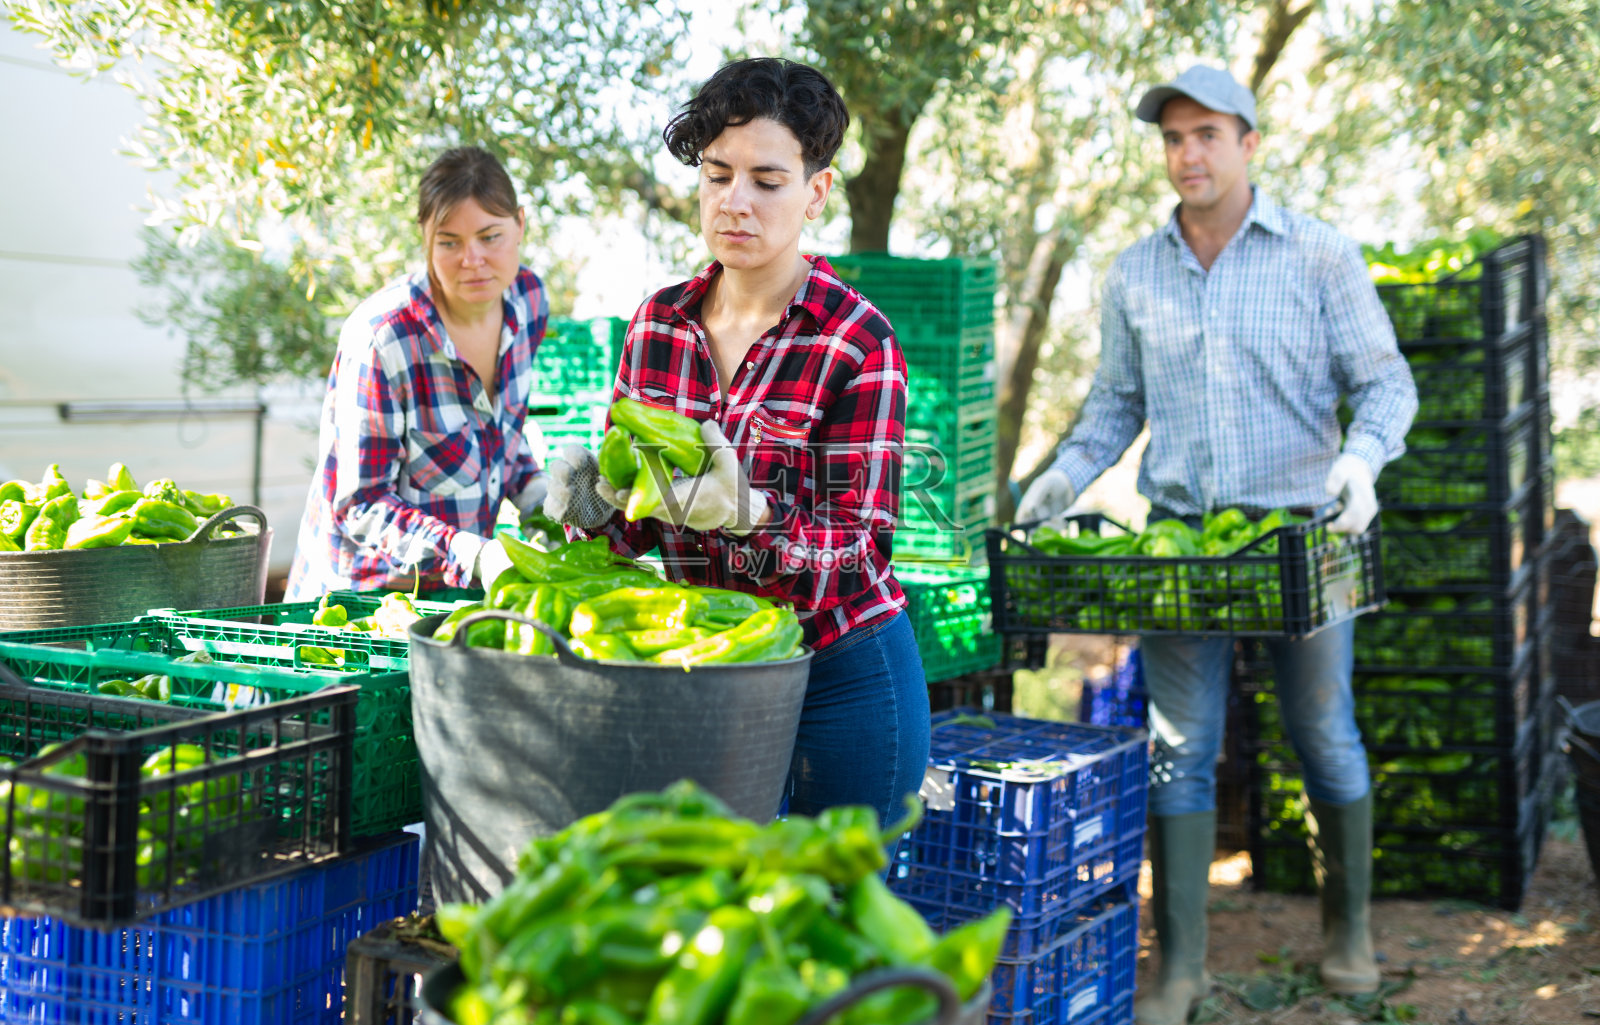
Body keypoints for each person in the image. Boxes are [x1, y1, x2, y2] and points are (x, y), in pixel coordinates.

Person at [1015, 66, 1417, 1025]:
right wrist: (1065, 474)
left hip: (1303, 542)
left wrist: (1361, 464)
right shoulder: (1136, 271)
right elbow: (1115, 404)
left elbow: (1388, 382)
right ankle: (1181, 967)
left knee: (1323, 733)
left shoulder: (1318, 255)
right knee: (1177, 746)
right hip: (1184, 551)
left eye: (1206, 135)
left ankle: (1349, 934)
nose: (1187, 153)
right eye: (1172, 138)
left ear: (1250, 145)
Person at [544, 57, 930, 828]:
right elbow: (637, 522)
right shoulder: (658, 323)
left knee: (835, 914)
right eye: (718, 176)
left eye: (767, 179)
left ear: (815, 193)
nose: (736, 203)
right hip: (709, 666)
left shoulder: (857, 341)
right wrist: (589, 505)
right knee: (713, 905)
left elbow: (858, 553)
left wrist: (752, 512)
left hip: (841, 672)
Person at [285, 146, 547, 601]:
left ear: (520, 224)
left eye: (490, 236)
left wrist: (542, 504)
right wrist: (471, 554)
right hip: (357, 609)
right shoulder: (383, 338)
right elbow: (360, 505)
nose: (472, 259)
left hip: (455, 598)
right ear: (425, 237)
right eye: (449, 242)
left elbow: (498, 434)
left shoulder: (528, 301)